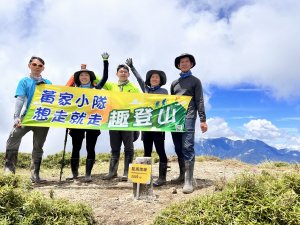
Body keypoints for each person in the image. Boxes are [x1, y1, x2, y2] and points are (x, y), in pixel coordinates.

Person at [4, 56, 52, 183]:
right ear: (29, 65)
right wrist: (16, 117)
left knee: (38, 146)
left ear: (43, 68)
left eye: (40, 65)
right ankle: (9, 170)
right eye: (35, 64)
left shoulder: (48, 83)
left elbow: (55, 100)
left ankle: (35, 174)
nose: (37, 67)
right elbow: (20, 99)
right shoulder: (24, 81)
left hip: (43, 118)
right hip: (28, 116)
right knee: (13, 137)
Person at [66, 53, 109, 182]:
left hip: (92, 122)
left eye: (86, 75)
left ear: (91, 77)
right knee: (76, 147)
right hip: (77, 122)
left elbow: (105, 77)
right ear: (78, 78)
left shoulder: (96, 88)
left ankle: (88, 174)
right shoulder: (73, 89)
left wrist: (105, 61)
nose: (84, 77)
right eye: (81, 75)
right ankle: (74, 173)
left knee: (90, 148)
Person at [125, 58, 168, 186]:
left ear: (160, 80)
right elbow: (139, 79)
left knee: (161, 151)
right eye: (152, 77)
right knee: (147, 151)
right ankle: (146, 177)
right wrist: (132, 67)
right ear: (149, 80)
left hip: (159, 126)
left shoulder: (164, 92)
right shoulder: (146, 89)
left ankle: (162, 178)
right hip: (146, 125)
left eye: (157, 77)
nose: (154, 79)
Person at [171, 53, 208, 194]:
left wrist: (203, 120)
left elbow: (199, 100)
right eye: (182, 62)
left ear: (191, 64)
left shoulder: (195, 81)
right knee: (178, 147)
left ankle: (188, 180)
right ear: (178, 65)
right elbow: (171, 101)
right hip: (175, 119)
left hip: (189, 117)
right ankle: (182, 175)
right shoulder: (174, 83)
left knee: (187, 146)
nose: (184, 63)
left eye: (187, 61)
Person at [102, 64, 140, 181]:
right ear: (117, 74)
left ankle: (127, 172)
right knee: (114, 148)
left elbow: (140, 102)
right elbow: (98, 80)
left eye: (125, 72)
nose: (123, 73)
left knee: (128, 148)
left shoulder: (133, 88)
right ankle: (112, 172)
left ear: (128, 74)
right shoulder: (111, 85)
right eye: (121, 71)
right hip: (113, 120)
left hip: (128, 121)